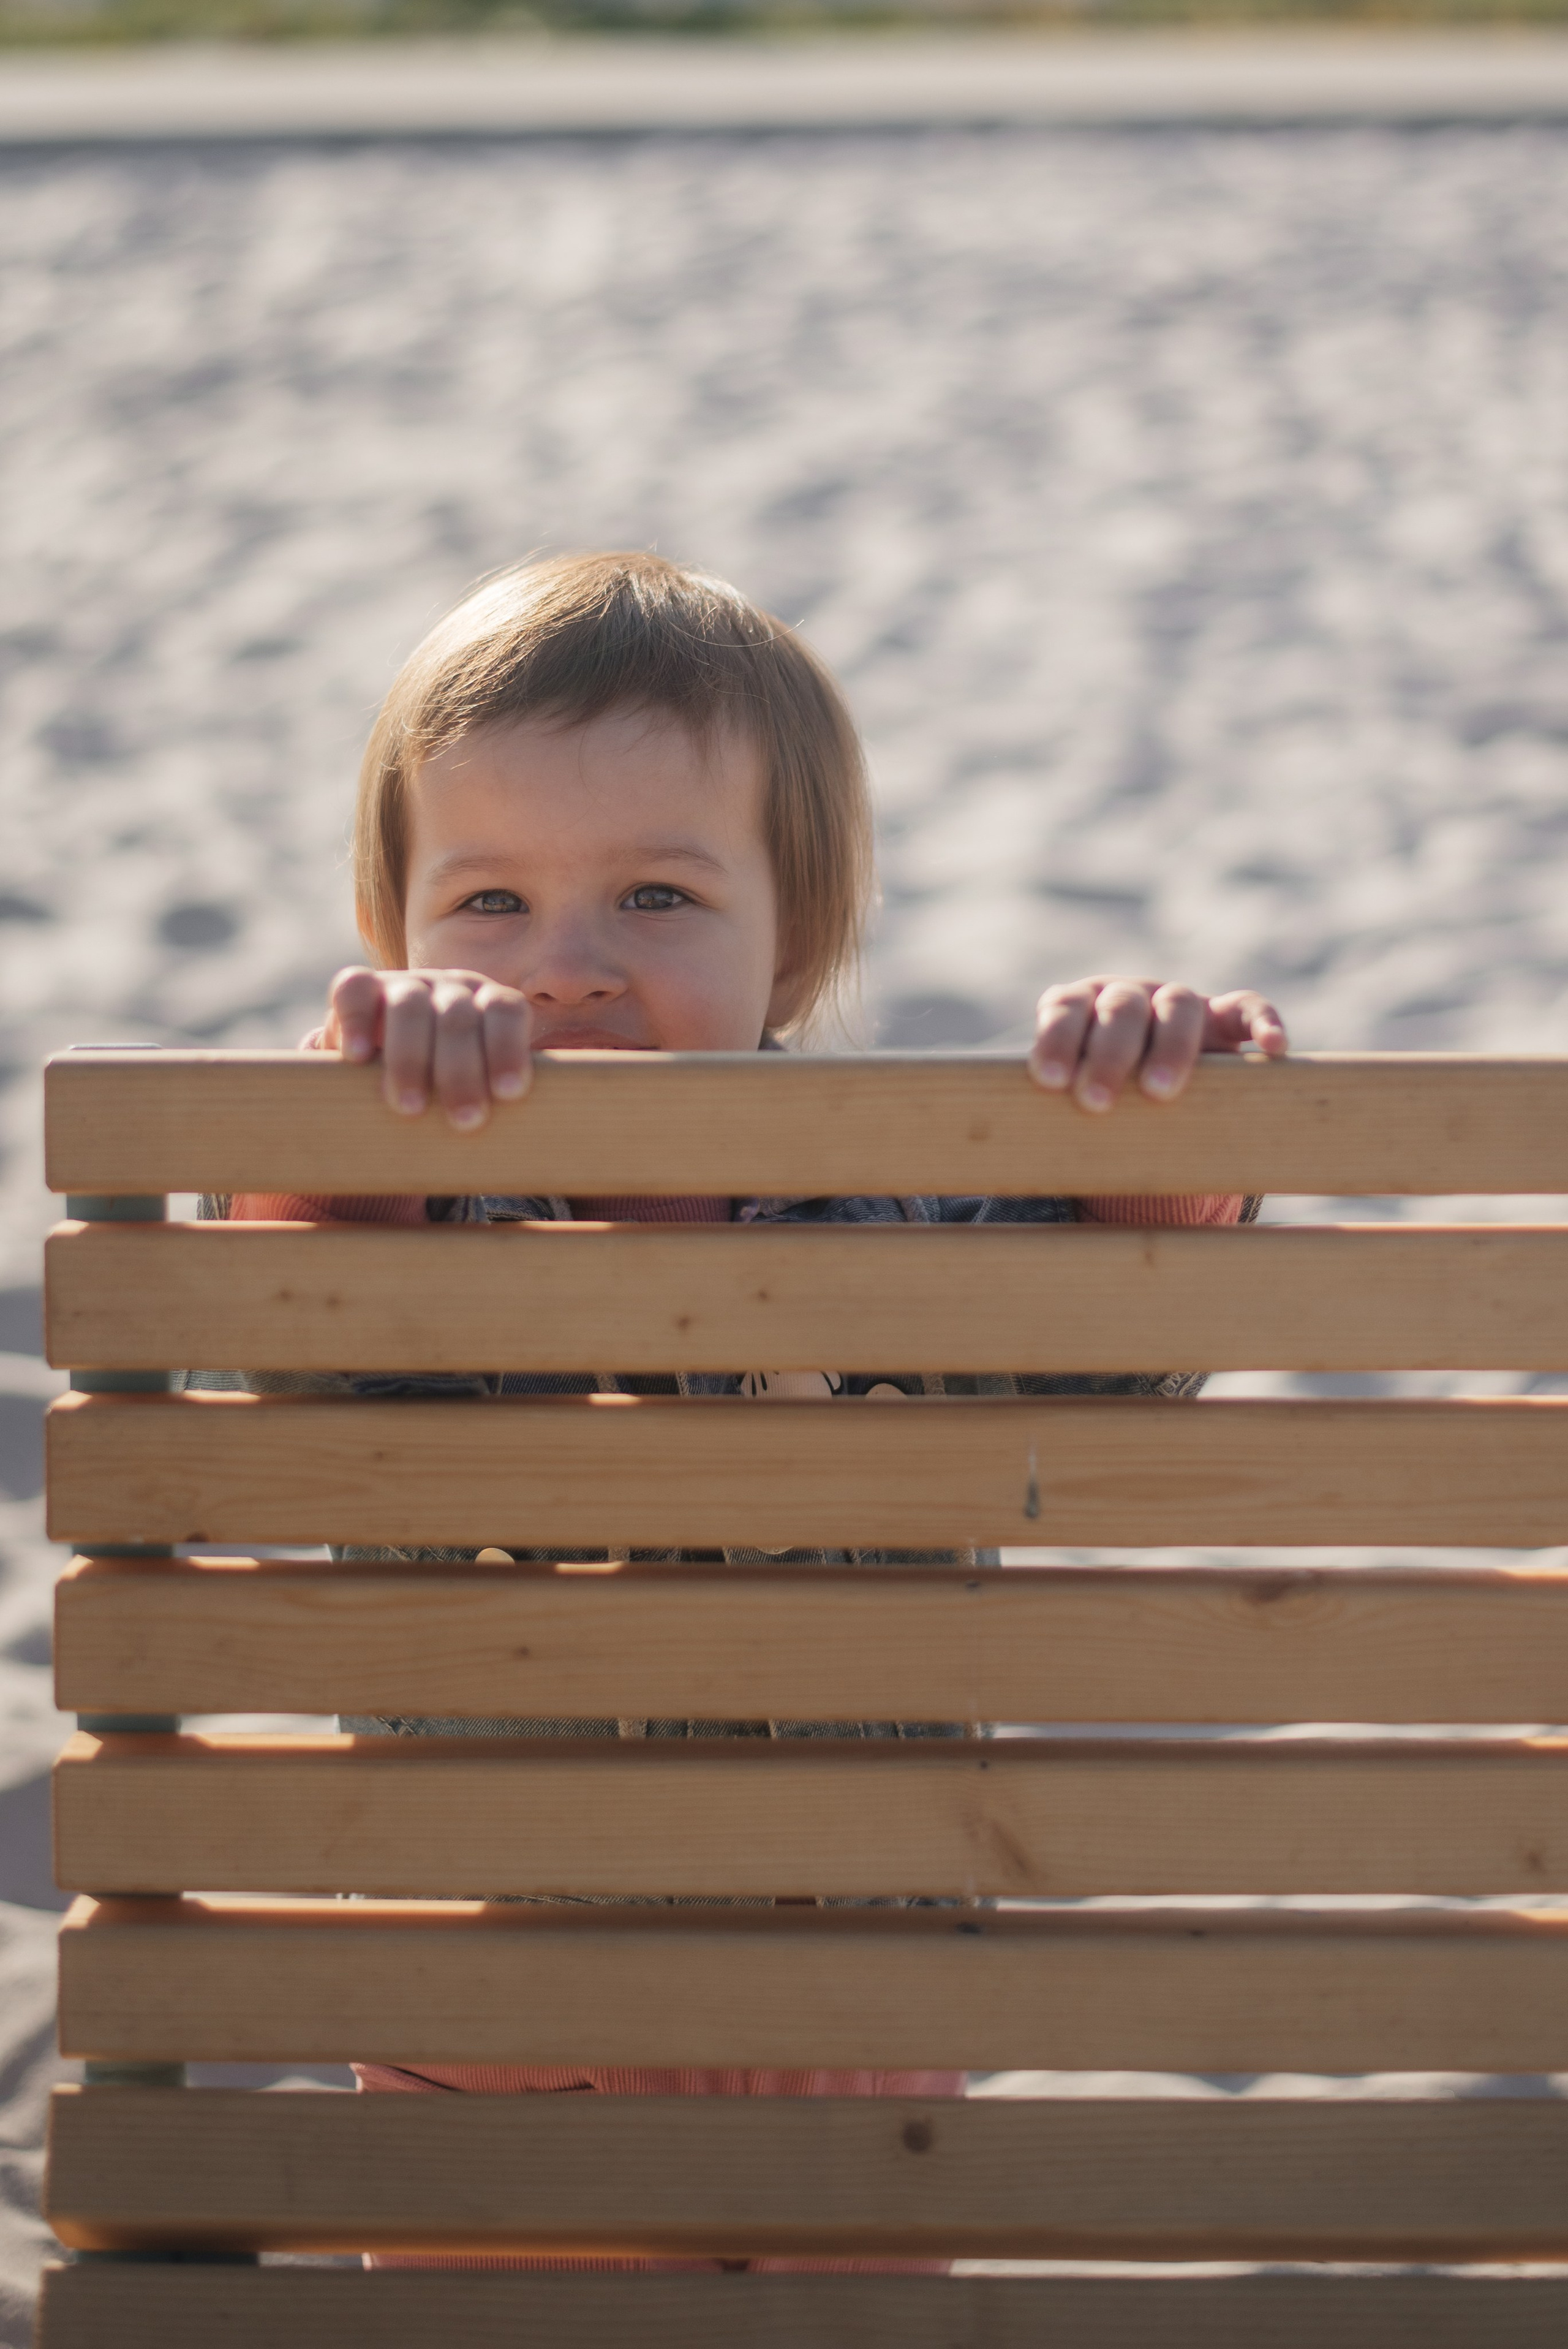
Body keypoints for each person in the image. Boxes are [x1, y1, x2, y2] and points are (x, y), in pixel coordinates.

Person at [214, 549, 1288, 2274]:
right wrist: (341, 1133)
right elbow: (285, 1349)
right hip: (493, 2026)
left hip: (844, 2034)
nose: (564, 968)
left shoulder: (908, 1210)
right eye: (487, 907)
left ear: (798, 949)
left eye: (653, 897)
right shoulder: (407, 1224)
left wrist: (1166, 1117)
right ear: (389, 947)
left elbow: (1115, 1352)